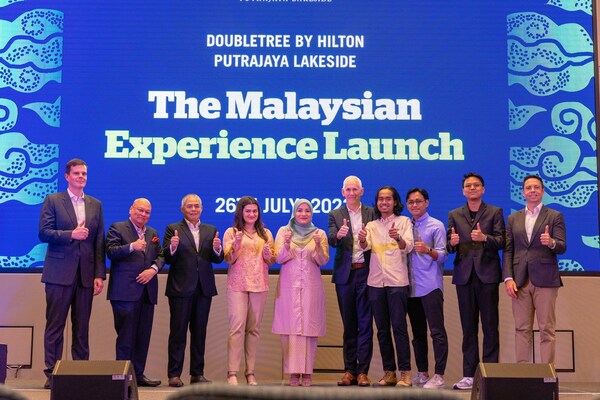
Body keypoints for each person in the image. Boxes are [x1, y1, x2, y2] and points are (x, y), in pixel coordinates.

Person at [38, 158, 106, 389]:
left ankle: (80, 371)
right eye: (76, 173)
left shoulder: (95, 204)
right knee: (55, 325)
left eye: (84, 173)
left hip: (85, 275)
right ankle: (52, 373)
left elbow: (99, 242)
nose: (81, 177)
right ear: (67, 176)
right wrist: (71, 235)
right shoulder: (53, 200)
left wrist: (99, 274)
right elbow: (44, 233)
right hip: (58, 273)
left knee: (82, 326)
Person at [447, 172, 505, 390]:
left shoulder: (494, 212)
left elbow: (501, 241)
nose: (472, 188)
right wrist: (451, 243)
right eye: (468, 185)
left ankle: (490, 372)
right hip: (464, 276)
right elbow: (449, 244)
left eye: (476, 185)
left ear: (483, 189)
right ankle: (469, 375)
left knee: (490, 326)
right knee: (468, 327)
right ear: (463, 190)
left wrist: (485, 239)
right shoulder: (454, 214)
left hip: (488, 275)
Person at [503, 175, 566, 364]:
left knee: (546, 329)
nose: (532, 190)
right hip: (519, 281)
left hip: (546, 280)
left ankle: (547, 374)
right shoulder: (513, 218)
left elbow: (562, 246)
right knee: (521, 328)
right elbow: (508, 250)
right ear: (523, 192)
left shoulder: (554, 216)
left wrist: (552, 242)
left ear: (543, 191)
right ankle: (524, 374)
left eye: (536, 187)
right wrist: (508, 278)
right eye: (528, 187)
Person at [163, 194, 224, 387]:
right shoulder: (173, 229)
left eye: (197, 206)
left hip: (203, 289)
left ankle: (197, 373)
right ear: (182, 209)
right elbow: (167, 258)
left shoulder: (210, 230)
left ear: (202, 209)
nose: (193, 209)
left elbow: (217, 259)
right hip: (180, 288)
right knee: (178, 332)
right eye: (189, 206)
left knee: (200, 332)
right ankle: (174, 374)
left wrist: (217, 249)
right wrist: (171, 248)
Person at [106, 198, 164, 387]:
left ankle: (138, 374)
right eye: (140, 210)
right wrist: (132, 246)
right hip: (124, 292)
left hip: (147, 292)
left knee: (142, 336)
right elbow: (111, 251)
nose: (143, 214)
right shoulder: (118, 227)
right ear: (131, 209)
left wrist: (153, 269)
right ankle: (122, 376)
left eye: (147, 212)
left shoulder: (153, 233)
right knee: (125, 336)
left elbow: (161, 255)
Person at [359, 186, 414, 388]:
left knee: (399, 327)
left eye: (388, 199)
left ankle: (405, 373)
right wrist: (362, 239)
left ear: (395, 202)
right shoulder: (372, 224)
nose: (384, 202)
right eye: (381, 199)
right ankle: (389, 372)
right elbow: (365, 247)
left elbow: (407, 247)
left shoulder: (404, 221)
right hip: (375, 282)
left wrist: (397, 237)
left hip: (397, 282)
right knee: (382, 330)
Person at [273, 199, 330, 387]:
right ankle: (292, 373)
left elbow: (323, 261)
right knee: (290, 331)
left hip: (311, 288)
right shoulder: (284, 232)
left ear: (311, 213)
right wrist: (287, 244)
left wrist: (318, 246)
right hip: (289, 287)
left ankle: (307, 373)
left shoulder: (319, 233)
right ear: (294, 213)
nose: (303, 214)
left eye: (307, 211)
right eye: (300, 210)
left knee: (308, 331)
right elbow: (278, 258)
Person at [327, 176, 375, 387]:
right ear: (342, 191)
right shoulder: (335, 214)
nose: (352, 192)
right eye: (348, 189)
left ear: (362, 191)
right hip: (345, 275)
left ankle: (363, 371)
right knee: (349, 324)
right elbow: (331, 240)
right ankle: (349, 370)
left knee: (365, 324)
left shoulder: (371, 212)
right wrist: (339, 235)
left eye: (355, 189)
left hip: (367, 272)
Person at [223, 196, 275, 386]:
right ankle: (232, 373)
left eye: (254, 211)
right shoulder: (231, 232)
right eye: (248, 211)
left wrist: (269, 255)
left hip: (259, 284)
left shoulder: (266, 233)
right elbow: (228, 259)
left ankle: (250, 372)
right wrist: (236, 244)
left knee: (253, 330)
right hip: (237, 285)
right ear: (241, 213)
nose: (252, 214)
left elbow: (271, 260)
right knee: (236, 328)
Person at [405, 188, 448, 389]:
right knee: (418, 333)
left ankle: (439, 375)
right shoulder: (405, 225)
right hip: (411, 287)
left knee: (437, 332)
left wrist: (427, 250)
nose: (415, 205)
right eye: (411, 202)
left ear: (427, 203)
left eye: (418, 201)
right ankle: (423, 372)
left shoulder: (436, 225)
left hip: (430, 286)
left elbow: (443, 255)